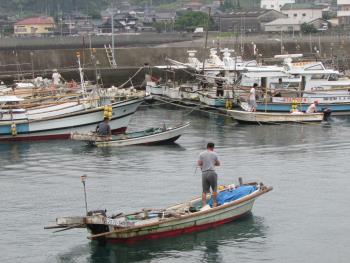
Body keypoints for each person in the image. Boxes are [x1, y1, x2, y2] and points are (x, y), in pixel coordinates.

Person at [197, 142, 220, 208]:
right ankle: (214, 204)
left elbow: (199, 163)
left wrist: (203, 166)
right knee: (214, 189)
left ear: (207, 147)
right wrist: (213, 163)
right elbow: (218, 164)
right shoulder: (214, 154)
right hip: (212, 172)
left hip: (204, 173)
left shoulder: (201, 154)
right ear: (212, 147)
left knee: (204, 191)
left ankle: (204, 205)